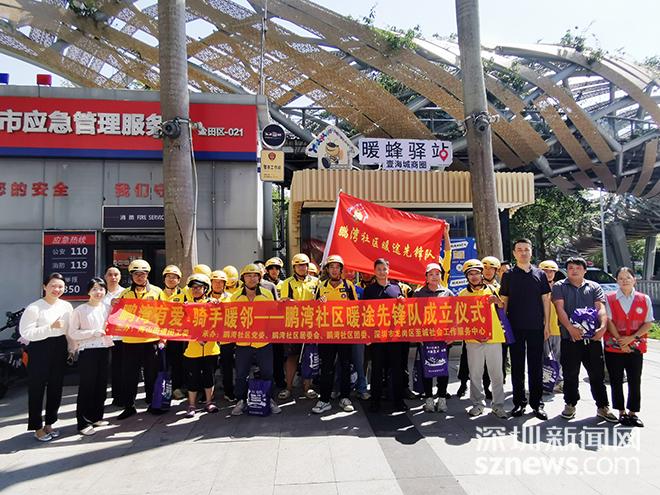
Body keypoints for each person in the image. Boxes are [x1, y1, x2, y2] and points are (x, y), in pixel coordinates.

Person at [552, 257, 617, 423]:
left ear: (584, 270)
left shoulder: (594, 286)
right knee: (570, 374)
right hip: (570, 339)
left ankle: (603, 406)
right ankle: (570, 404)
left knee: (597, 375)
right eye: (571, 268)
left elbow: (600, 308)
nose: (574, 270)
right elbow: (560, 309)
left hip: (592, 340)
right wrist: (570, 328)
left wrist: (603, 327)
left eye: (578, 268)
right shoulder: (560, 286)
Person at [19, 272, 74, 442]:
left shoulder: (66, 306)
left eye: (60, 286)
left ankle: (50, 423)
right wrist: (50, 327)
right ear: (44, 287)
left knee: (56, 387)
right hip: (39, 348)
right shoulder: (34, 307)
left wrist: (72, 348)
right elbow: (26, 333)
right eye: (53, 286)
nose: (57, 289)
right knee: (37, 388)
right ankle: (37, 427)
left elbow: (68, 331)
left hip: (60, 347)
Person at [500, 239, 551, 420]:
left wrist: (547, 324)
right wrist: (503, 325)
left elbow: (546, 300)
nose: (523, 253)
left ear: (531, 252)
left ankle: (537, 404)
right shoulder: (508, 275)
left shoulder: (540, 274)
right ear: (514, 253)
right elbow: (504, 300)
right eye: (519, 250)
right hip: (515, 327)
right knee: (517, 366)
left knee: (536, 366)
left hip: (536, 326)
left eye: (526, 249)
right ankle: (519, 403)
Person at [604, 267, 653, 427]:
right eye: (621, 278)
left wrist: (631, 339)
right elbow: (608, 321)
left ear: (634, 280)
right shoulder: (609, 298)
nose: (624, 280)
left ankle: (633, 412)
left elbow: (648, 323)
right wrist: (620, 341)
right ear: (616, 280)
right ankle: (621, 412)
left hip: (635, 346)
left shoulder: (644, 299)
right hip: (614, 346)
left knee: (634, 380)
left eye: (628, 277)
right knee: (616, 380)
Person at [458, 260, 508, 418]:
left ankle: (498, 405)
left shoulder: (495, 289)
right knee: (475, 374)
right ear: (466, 276)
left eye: (476, 273)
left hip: (494, 338)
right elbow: (460, 317)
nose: (474, 276)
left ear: (481, 274)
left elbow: (504, 309)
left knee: (497, 374)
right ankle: (477, 404)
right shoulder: (462, 295)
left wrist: (498, 302)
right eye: (470, 274)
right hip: (473, 340)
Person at [115, 259, 163, 420]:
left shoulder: (157, 292)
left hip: (151, 340)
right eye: (136, 274)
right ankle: (129, 406)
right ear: (131, 276)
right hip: (130, 342)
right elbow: (118, 316)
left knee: (152, 375)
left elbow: (165, 315)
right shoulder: (125, 294)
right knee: (129, 376)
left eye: (143, 274)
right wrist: (114, 305)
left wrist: (163, 339)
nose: (140, 277)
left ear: (147, 275)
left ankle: (153, 403)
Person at [231, 264, 281, 416]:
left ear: (259, 278)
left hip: (263, 342)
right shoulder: (235, 297)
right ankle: (241, 401)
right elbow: (230, 318)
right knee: (241, 374)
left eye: (255, 276)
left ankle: (269, 399)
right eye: (248, 275)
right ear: (243, 278)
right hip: (243, 342)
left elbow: (274, 316)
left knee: (267, 373)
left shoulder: (267, 294)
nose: (252, 279)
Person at [311, 255, 358, 414]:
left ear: (341, 269)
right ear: (327, 269)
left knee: (345, 365)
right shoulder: (321, 286)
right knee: (326, 367)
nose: (334, 270)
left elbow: (357, 309)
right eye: (331, 267)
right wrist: (319, 304)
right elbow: (313, 310)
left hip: (344, 334)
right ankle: (324, 399)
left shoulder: (349, 286)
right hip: (326, 335)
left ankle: (345, 397)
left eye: (337, 267)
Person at [69, 277, 113, 435]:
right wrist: (93, 333)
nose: (98, 292)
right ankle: (83, 423)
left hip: (104, 349)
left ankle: (96, 417)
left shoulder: (107, 308)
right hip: (88, 351)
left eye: (101, 289)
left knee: (101, 385)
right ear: (88, 291)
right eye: (94, 289)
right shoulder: (80, 310)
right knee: (87, 386)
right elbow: (73, 333)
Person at [172, 274, 220, 418]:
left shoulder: (213, 304)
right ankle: (191, 405)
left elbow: (219, 324)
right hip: (191, 350)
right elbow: (181, 325)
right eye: (193, 287)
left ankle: (209, 402)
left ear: (206, 289)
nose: (196, 290)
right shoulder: (185, 305)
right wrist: (196, 337)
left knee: (209, 377)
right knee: (192, 379)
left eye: (199, 287)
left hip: (211, 349)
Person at [364, 258, 408, 412]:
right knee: (377, 370)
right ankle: (375, 401)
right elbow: (364, 313)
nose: (382, 272)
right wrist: (367, 335)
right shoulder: (369, 290)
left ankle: (398, 401)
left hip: (394, 336)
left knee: (397, 369)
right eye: (379, 269)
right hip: (376, 337)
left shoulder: (396, 288)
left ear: (389, 271)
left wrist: (403, 301)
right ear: (374, 271)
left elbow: (404, 312)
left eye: (384, 269)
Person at [414, 263, 454, 413]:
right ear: (426, 277)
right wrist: (417, 334)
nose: (434, 277)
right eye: (431, 274)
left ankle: (442, 398)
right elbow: (413, 315)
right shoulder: (418, 293)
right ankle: (429, 399)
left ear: (441, 276)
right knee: (427, 367)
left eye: (437, 274)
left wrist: (452, 335)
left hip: (443, 339)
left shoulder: (447, 293)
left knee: (443, 368)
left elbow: (454, 315)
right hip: (425, 338)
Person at [278, 253, 319, 400]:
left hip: (311, 325)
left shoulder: (316, 282)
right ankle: (288, 387)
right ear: (294, 267)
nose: (302, 268)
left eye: (304, 265)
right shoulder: (287, 283)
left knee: (309, 355)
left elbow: (320, 302)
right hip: (293, 325)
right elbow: (284, 303)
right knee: (292, 356)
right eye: (299, 265)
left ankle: (307, 388)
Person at [161, 265, 186, 400]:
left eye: (174, 277)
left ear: (179, 280)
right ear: (164, 279)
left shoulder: (184, 295)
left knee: (177, 363)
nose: (171, 279)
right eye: (168, 277)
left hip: (177, 336)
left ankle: (176, 388)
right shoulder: (157, 294)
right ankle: (162, 389)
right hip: (160, 335)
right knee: (162, 363)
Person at [210, 270, 236, 401]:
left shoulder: (231, 297)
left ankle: (228, 391)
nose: (218, 284)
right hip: (210, 338)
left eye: (221, 282)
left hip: (227, 337)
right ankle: (207, 394)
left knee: (227, 367)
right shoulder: (205, 298)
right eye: (215, 282)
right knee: (209, 367)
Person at [539, 260, 563, 393]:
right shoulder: (536, 288)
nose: (549, 274)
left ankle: (558, 381)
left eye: (551, 271)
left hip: (558, 329)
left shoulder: (559, 288)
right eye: (546, 271)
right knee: (543, 358)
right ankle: (544, 383)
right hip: (542, 329)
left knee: (558, 358)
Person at [103, 266, 125, 407]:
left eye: (116, 274)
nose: (113, 277)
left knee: (120, 368)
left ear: (120, 276)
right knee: (105, 368)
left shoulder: (125, 293)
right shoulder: (100, 293)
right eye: (110, 274)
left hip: (121, 337)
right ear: (105, 276)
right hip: (103, 337)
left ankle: (120, 397)